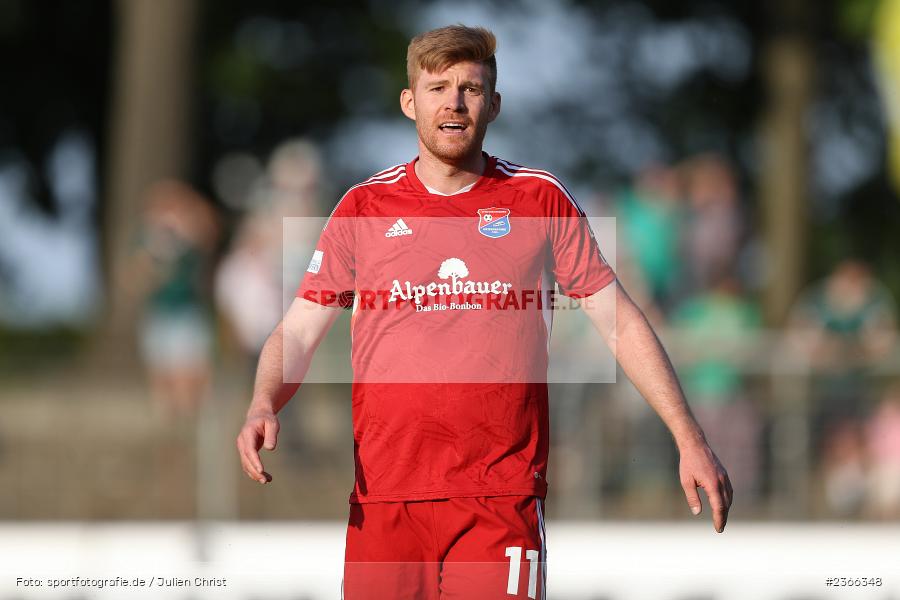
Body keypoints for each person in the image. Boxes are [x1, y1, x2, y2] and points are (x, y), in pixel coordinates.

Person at [236, 25, 732, 599]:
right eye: (438, 88)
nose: (454, 102)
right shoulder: (363, 207)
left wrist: (688, 436)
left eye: (470, 89)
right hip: (385, 499)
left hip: (500, 497)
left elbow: (618, 319)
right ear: (409, 102)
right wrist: (263, 401)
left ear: (493, 104)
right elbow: (299, 330)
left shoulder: (538, 198)